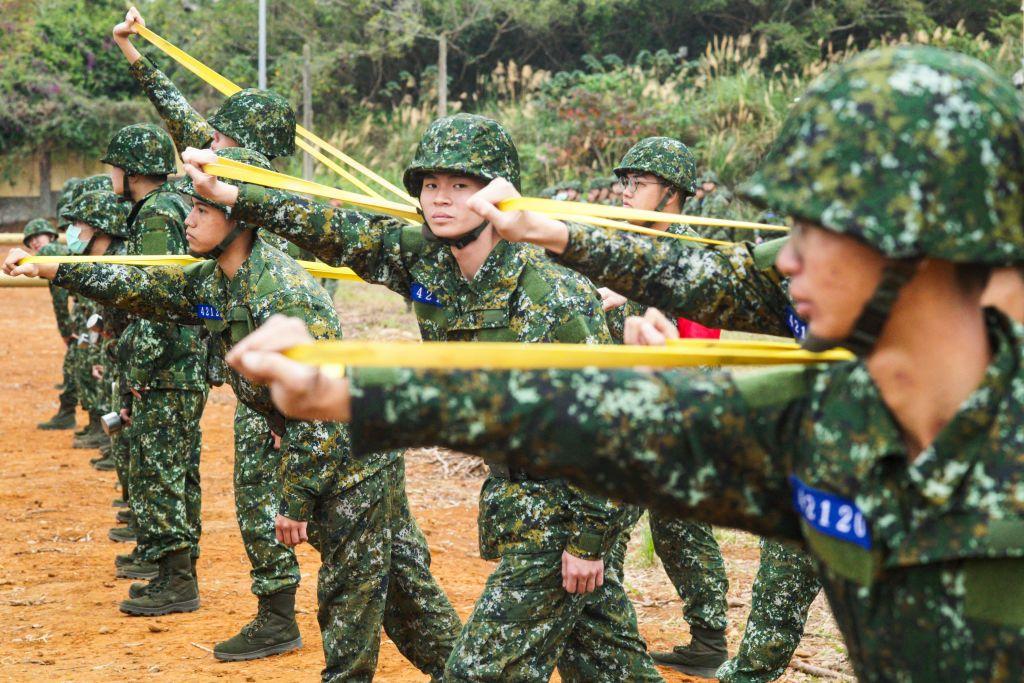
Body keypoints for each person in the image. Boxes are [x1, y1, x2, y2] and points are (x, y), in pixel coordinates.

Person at [220, 46, 1024, 682]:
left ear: (926, 242)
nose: (789, 259)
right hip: (536, 515)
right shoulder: (827, 423)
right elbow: (575, 411)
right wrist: (347, 390)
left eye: (819, 229)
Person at [178, 114, 661, 682]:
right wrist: (234, 195)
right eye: (432, 186)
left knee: (478, 673)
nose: (442, 199)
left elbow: (612, 426)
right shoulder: (430, 261)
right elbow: (340, 229)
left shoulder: (550, 294)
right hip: (520, 496)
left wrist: (588, 540)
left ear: (498, 194)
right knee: (609, 666)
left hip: (568, 502)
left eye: (461, 186)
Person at [5, 146, 460, 681]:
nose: (189, 221)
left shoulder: (282, 294)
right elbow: (152, 289)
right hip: (335, 454)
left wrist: (293, 500)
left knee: (349, 598)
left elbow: (325, 414)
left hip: (353, 460)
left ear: (238, 219)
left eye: (200, 210)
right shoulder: (218, 279)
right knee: (405, 593)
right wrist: (54, 267)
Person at [111, 6, 322, 659]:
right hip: (255, 351)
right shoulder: (244, 178)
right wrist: (135, 53)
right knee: (266, 491)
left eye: (223, 138)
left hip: (281, 355)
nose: (209, 145)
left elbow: (191, 131)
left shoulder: (257, 188)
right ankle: (281, 607)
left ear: (250, 144)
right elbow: (184, 123)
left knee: (274, 493)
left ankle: (280, 614)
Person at [24, 218, 78, 431]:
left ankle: (69, 414)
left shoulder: (50, 254)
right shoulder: (62, 249)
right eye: (30, 242)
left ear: (50, 236)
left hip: (86, 315)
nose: (34, 243)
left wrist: (66, 331)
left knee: (77, 364)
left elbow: (59, 298)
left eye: (37, 237)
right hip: (88, 311)